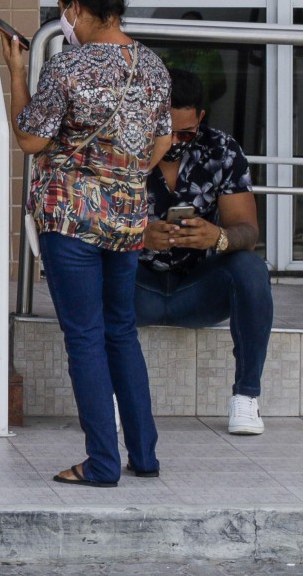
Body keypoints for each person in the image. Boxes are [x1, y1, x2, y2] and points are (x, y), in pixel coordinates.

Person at [4, 0, 171, 487]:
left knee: (85, 337)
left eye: (63, 8)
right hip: (125, 217)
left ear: (75, 8)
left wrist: (15, 72)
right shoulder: (152, 65)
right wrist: (121, 177)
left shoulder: (67, 67)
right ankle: (143, 455)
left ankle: (101, 463)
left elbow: (31, 137)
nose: (63, 18)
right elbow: (163, 140)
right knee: (121, 330)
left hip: (71, 215)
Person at [137, 67, 272, 436]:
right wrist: (138, 236)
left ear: (200, 117)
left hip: (195, 289)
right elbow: (94, 225)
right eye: (167, 131)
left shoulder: (221, 149)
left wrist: (217, 237)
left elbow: (247, 230)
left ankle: (246, 397)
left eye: (186, 132)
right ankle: (113, 398)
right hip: (136, 285)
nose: (176, 141)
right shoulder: (128, 147)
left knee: (251, 268)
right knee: (95, 264)